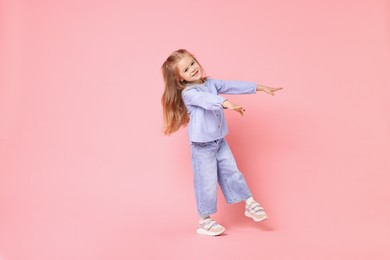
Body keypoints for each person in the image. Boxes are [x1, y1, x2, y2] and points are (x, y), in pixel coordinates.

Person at [161, 49, 283, 236]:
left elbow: (231, 85)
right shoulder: (189, 93)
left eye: (193, 63)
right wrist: (227, 104)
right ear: (180, 79)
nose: (193, 69)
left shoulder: (210, 83)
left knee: (233, 172)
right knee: (206, 182)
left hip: (219, 141)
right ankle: (204, 221)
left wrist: (258, 87)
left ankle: (249, 203)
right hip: (202, 146)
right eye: (186, 70)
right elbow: (207, 100)